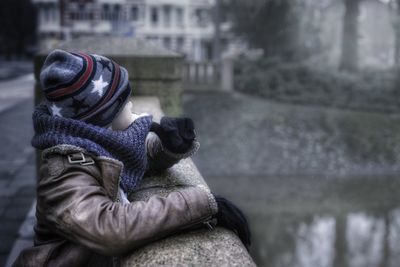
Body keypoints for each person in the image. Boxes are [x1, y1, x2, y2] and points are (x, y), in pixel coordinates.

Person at [13, 49, 250, 267]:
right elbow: (109, 228)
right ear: (104, 114)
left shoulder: (91, 144)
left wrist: (168, 146)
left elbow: (126, 162)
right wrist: (201, 204)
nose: (132, 103)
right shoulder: (64, 172)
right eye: (125, 97)